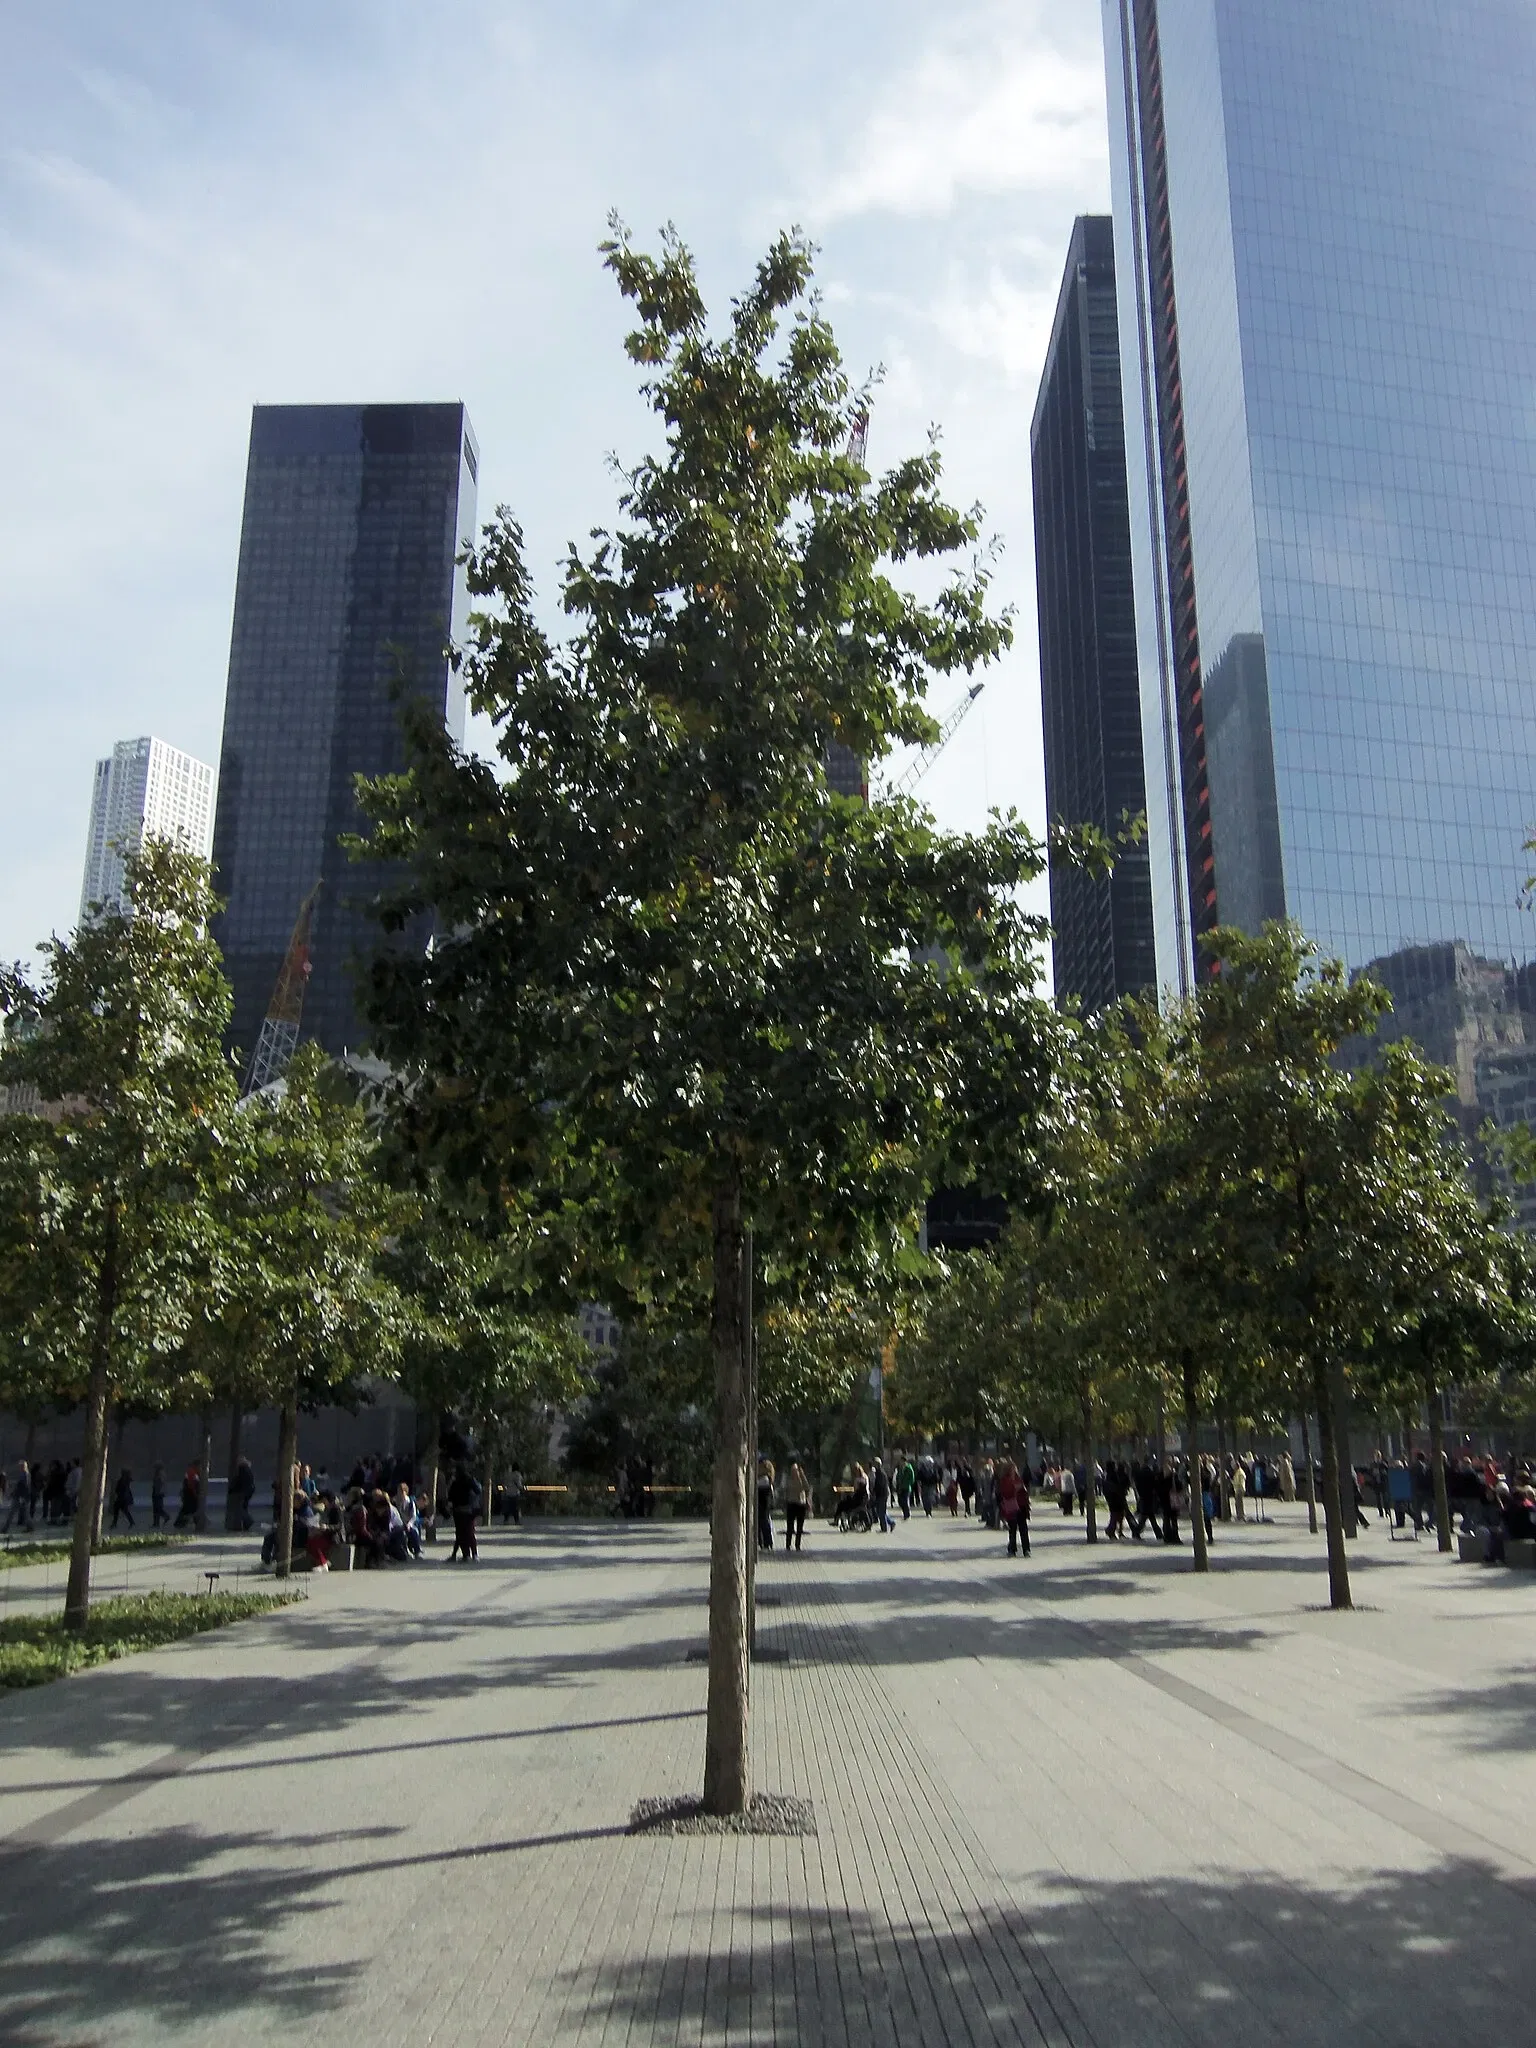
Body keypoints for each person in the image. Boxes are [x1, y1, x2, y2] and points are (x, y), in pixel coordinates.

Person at [447, 1463, 480, 1560]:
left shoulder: (455, 1482)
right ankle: (474, 1554)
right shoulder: (470, 1480)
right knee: (470, 1532)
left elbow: (450, 1496)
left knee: (460, 1533)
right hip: (469, 1510)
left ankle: (465, 1554)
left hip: (458, 1510)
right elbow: (478, 1490)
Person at [784, 1463, 811, 1551]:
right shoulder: (789, 1480)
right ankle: (788, 1544)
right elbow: (785, 1490)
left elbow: (807, 1487)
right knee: (790, 1526)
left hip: (800, 1504)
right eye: (793, 1471)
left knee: (799, 1527)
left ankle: (797, 1545)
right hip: (791, 1504)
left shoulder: (802, 1480)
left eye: (796, 1471)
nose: (794, 1472)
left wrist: (802, 1475)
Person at [871, 1456, 894, 1533]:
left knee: (881, 1512)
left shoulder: (880, 1473)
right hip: (881, 1494)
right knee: (881, 1511)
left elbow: (880, 1485)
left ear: (878, 1464)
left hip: (882, 1495)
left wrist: (874, 1491)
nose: (873, 1465)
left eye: (874, 1464)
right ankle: (891, 1522)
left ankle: (884, 1528)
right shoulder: (878, 1472)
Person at [756, 1460, 776, 1550]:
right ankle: (765, 1541)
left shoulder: (764, 1479)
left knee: (762, 1522)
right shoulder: (767, 1479)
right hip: (764, 1503)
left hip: (762, 1503)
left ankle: (765, 1542)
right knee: (764, 1522)